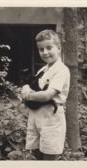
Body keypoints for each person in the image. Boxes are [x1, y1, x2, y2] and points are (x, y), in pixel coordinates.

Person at [21, 29, 70, 160]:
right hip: (37, 116)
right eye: (41, 49)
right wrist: (26, 86)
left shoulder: (61, 70)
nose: (45, 52)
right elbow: (32, 84)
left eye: (49, 48)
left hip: (51, 116)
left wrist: (26, 96)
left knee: (49, 156)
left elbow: (47, 95)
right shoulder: (44, 69)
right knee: (36, 155)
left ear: (58, 48)